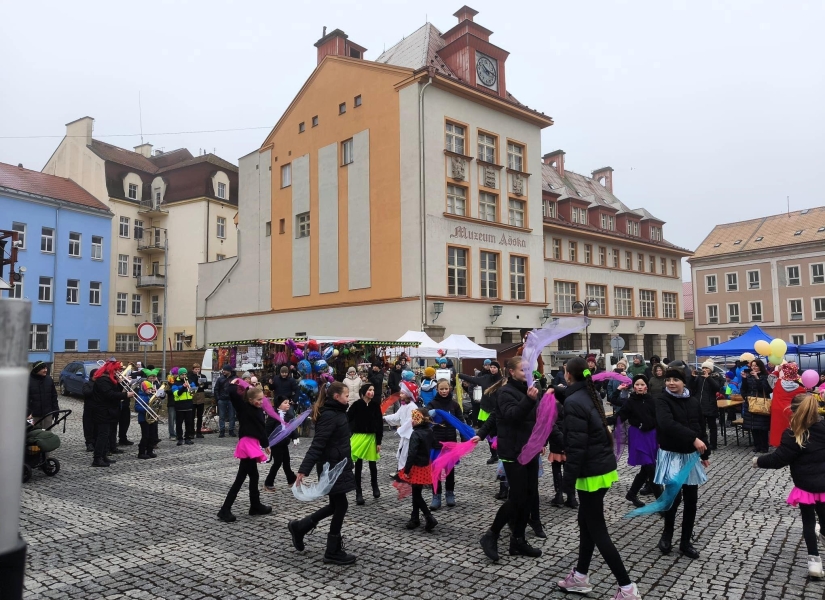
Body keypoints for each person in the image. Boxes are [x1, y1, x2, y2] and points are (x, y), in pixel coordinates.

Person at [556, 357, 641, 600]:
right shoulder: (588, 394)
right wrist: (555, 392)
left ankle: (627, 588)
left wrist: (567, 482)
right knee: (585, 523)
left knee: (597, 530)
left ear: (568, 375)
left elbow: (576, 445)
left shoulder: (574, 401)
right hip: (602, 468)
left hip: (590, 473)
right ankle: (580, 576)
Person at [474, 356, 542, 562]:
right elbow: (511, 416)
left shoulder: (528, 389)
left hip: (530, 449)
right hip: (513, 451)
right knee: (517, 498)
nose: (527, 373)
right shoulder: (506, 392)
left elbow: (499, 415)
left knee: (529, 496)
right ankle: (491, 535)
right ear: (511, 372)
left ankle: (518, 540)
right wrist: (529, 400)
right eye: (523, 370)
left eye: (529, 370)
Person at [755, 393, 825, 578]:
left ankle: (814, 562)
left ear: (793, 411)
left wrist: (758, 461)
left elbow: (778, 459)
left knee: (809, 523)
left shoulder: (793, 434)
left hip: (805, 486)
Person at [288, 382, 357, 565]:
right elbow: (317, 444)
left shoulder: (338, 412)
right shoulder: (329, 415)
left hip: (339, 464)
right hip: (331, 467)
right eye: (346, 395)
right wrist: (304, 469)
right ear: (336, 397)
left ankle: (300, 527)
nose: (348, 398)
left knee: (335, 505)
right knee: (341, 505)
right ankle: (332, 551)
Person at [655, 364, 710, 559]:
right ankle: (667, 535)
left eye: (675, 380)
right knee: (673, 497)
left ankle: (686, 541)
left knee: (691, 499)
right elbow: (666, 424)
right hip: (672, 453)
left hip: (690, 455)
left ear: (683, 382)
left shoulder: (693, 401)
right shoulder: (662, 400)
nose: (671, 383)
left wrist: (704, 454)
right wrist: (693, 438)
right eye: (668, 380)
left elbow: (701, 426)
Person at [217, 384, 272, 522]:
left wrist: (265, 444)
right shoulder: (244, 408)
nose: (261, 402)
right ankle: (225, 509)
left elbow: (261, 428)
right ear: (250, 400)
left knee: (254, 476)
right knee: (240, 478)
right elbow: (231, 392)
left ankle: (255, 505)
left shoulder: (259, 410)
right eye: (258, 399)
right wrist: (237, 382)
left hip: (253, 444)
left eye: (262, 399)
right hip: (247, 445)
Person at [611, 374, 658, 507]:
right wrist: (603, 421)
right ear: (634, 387)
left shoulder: (652, 400)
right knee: (651, 468)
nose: (640, 387)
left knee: (646, 468)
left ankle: (631, 494)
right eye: (637, 384)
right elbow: (620, 416)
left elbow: (658, 418)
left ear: (646, 387)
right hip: (637, 435)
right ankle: (662, 501)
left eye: (642, 384)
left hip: (651, 436)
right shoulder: (630, 402)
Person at [428, 379, 465, 509]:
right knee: (436, 471)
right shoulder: (432, 404)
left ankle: (450, 493)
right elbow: (425, 417)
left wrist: (464, 438)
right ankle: (436, 495)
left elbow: (461, 422)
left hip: (450, 443)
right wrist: (429, 414)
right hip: (436, 443)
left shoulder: (454, 405)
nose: (444, 391)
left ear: (450, 389)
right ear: (437, 390)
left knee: (450, 470)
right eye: (441, 389)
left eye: (446, 389)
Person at [401, 409, 440, 531]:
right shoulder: (429, 431)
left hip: (417, 467)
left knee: (417, 495)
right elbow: (436, 445)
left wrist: (407, 470)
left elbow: (412, 453)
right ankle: (415, 518)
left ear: (418, 420)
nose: (411, 421)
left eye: (413, 418)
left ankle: (429, 517)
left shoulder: (416, 434)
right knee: (416, 492)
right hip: (425, 466)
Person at [89, 361, 134, 467]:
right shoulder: (102, 380)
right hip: (102, 412)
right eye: (116, 370)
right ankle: (97, 459)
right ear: (111, 370)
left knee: (106, 435)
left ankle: (104, 456)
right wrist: (126, 395)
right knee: (102, 435)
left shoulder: (109, 379)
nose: (118, 372)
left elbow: (115, 391)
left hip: (109, 411)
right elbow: (110, 394)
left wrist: (119, 383)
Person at [459, 361, 502, 462]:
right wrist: (460, 375)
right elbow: (472, 379)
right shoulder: (485, 378)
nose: (492, 369)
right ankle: (494, 454)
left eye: (494, 367)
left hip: (498, 410)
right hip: (485, 409)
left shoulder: (502, 380)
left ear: (498, 369)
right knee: (489, 433)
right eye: (491, 367)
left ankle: (500, 453)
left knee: (498, 433)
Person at [348, 383, 383, 505]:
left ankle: (375, 486)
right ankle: (358, 492)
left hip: (372, 438)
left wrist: (379, 441)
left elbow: (379, 424)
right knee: (358, 466)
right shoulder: (356, 405)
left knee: (373, 465)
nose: (372, 392)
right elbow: (348, 418)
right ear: (363, 392)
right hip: (359, 437)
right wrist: (350, 431)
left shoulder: (375, 405)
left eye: (373, 390)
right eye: (369, 390)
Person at [383, 381, 419, 475]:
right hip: (405, 435)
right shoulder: (404, 405)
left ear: (408, 395)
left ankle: (405, 473)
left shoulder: (412, 407)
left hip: (409, 435)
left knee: (406, 454)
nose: (400, 395)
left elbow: (410, 422)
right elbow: (397, 416)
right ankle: (401, 471)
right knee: (402, 453)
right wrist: (384, 418)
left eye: (402, 393)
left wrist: (400, 430)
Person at [263, 396, 298, 492]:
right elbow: (267, 430)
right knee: (277, 463)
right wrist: (266, 443)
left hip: (284, 443)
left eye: (288, 403)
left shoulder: (288, 416)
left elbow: (291, 428)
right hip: (276, 444)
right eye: (285, 403)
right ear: (279, 405)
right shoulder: (273, 416)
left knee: (286, 462)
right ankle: (268, 482)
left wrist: (295, 437)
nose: (288, 404)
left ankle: (291, 479)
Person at [771, 362, 804, 448]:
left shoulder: (777, 383)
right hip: (791, 411)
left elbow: (770, 378)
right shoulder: (801, 389)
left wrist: (777, 371)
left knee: (777, 430)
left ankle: (778, 446)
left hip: (777, 411)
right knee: (790, 430)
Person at [742, 361, 772, 453]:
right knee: (753, 426)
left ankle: (764, 446)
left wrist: (757, 378)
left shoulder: (766, 376)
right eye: (752, 366)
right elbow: (744, 389)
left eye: (756, 366)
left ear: (760, 367)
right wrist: (744, 379)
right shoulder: (749, 376)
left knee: (762, 427)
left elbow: (767, 389)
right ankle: (757, 445)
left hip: (761, 404)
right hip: (751, 403)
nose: (754, 367)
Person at [692, 360, 722, 450]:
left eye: (707, 368)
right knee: (701, 426)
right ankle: (703, 443)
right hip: (699, 405)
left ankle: (713, 444)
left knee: (712, 426)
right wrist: (692, 377)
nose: (704, 370)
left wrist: (708, 378)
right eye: (703, 368)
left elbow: (717, 388)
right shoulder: (699, 378)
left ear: (710, 369)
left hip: (710, 405)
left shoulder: (715, 377)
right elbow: (692, 388)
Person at [27, 361, 59, 428]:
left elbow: (54, 397)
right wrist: (27, 413)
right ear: (37, 369)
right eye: (43, 368)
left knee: (47, 432)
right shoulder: (28, 381)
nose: (45, 370)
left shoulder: (49, 379)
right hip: (34, 415)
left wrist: (56, 411)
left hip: (47, 413)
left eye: (46, 368)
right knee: (35, 432)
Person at [134, 380, 158, 459]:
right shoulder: (140, 397)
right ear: (143, 389)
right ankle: (141, 452)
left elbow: (157, 404)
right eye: (148, 389)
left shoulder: (151, 396)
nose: (150, 390)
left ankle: (149, 451)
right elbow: (137, 408)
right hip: (144, 419)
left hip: (151, 418)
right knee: (145, 436)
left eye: (151, 389)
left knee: (152, 435)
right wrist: (146, 409)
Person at [171, 368, 195, 446]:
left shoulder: (190, 381)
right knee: (179, 423)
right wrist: (183, 387)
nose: (184, 376)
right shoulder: (175, 384)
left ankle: (187, 438)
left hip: (189, 405)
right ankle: (180, 438)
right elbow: (176, 394)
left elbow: (193, 391)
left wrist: (191, 388)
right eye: (182, 375)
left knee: (189, 423)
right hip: (180, 406)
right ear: (179, 375)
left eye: (185, 374)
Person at [214, 364, 237, 438]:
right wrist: (218, 398)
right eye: (223, 370)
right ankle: (222, 431)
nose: (223, 371)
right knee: (222, 416)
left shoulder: (235, 378)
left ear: (229, 371)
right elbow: (216, 389)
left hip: (231, 400)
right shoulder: (220, 379)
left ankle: (231, 430)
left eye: (225, 370)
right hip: (222, 399)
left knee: (232, 416)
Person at [189, 364, 207, 439]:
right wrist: (196, 381)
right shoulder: (190, 376)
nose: (197, 371)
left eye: (198, 369)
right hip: (193, 395)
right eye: (195, 369)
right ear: (193, 369)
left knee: (200, 415)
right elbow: (190, 386)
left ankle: (199, 432)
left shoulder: (203, 376)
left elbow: (206, 386)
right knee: (192, 416)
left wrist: (202, 383)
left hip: (201, 395)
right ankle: (192, 432)